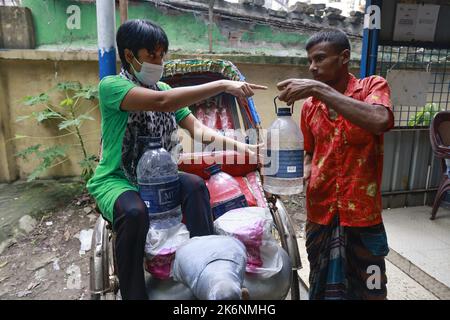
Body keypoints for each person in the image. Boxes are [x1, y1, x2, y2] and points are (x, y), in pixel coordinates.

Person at [86, 19, 266, 300]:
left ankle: (207, 270)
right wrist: (222, 84)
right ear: (130, 55)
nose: (158, 61)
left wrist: (246, 149)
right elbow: (163, 103)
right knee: (134, 213)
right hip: (119, 178)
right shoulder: (112, 87)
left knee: (194, 185)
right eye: (151, 55)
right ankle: (135, 295)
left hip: (160, 177)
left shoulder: (162, 87)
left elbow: (200, 131)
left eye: (161, 54)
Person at [277, 29, 394, 300]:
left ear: (344, 57)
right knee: (321, 285)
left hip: (362, 215)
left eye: (319, 59)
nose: (312, 67)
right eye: (309, 61)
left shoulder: (372, 88)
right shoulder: (309, 107)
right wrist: (300, 173)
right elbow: (310, 152)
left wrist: (319, 89)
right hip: (321, 211)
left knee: (371, 288)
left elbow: (380, 120)